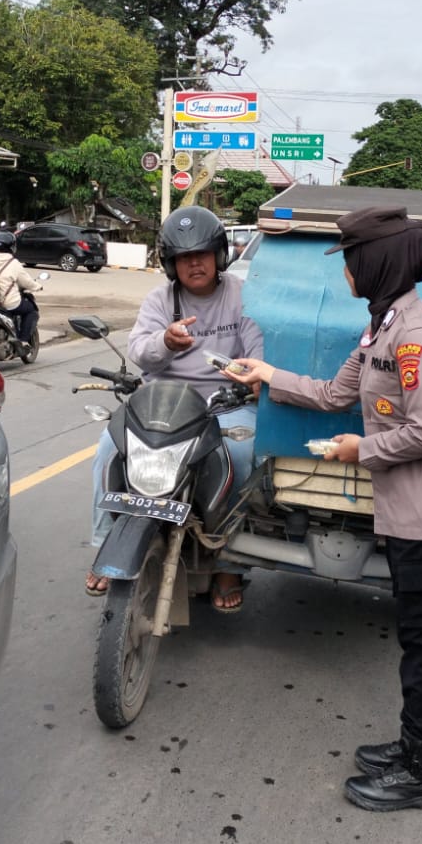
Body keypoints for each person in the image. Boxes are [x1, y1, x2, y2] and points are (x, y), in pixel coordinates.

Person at [226, 205, 422, 813]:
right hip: (413, 512)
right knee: (419, 639)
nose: (345, 268)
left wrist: (358, 449)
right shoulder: (381, 325)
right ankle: (419, 746)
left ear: (374, 261)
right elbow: (333, 393)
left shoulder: (417, 335)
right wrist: (266, 373)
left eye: (350, 257)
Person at [86, 206, 263, 612]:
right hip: (162, 405)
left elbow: (256, 352)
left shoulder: (242, 296)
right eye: (184, 257)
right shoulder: (160, 300)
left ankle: (228, 562)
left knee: (241, 456)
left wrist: (248, 377)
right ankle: (102, 543)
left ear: (219, 256)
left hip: (224, 405)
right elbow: (138, 352)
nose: (194, 263)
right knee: (107, 450)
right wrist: (165, 342)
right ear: (171, 263)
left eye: (201, 254)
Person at [0, 230, 42, 345]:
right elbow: (26, 282)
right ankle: (23, 340)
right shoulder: (13, 263)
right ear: (11, 246)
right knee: (31, 310)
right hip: (8, 303)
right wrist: (37, 286)